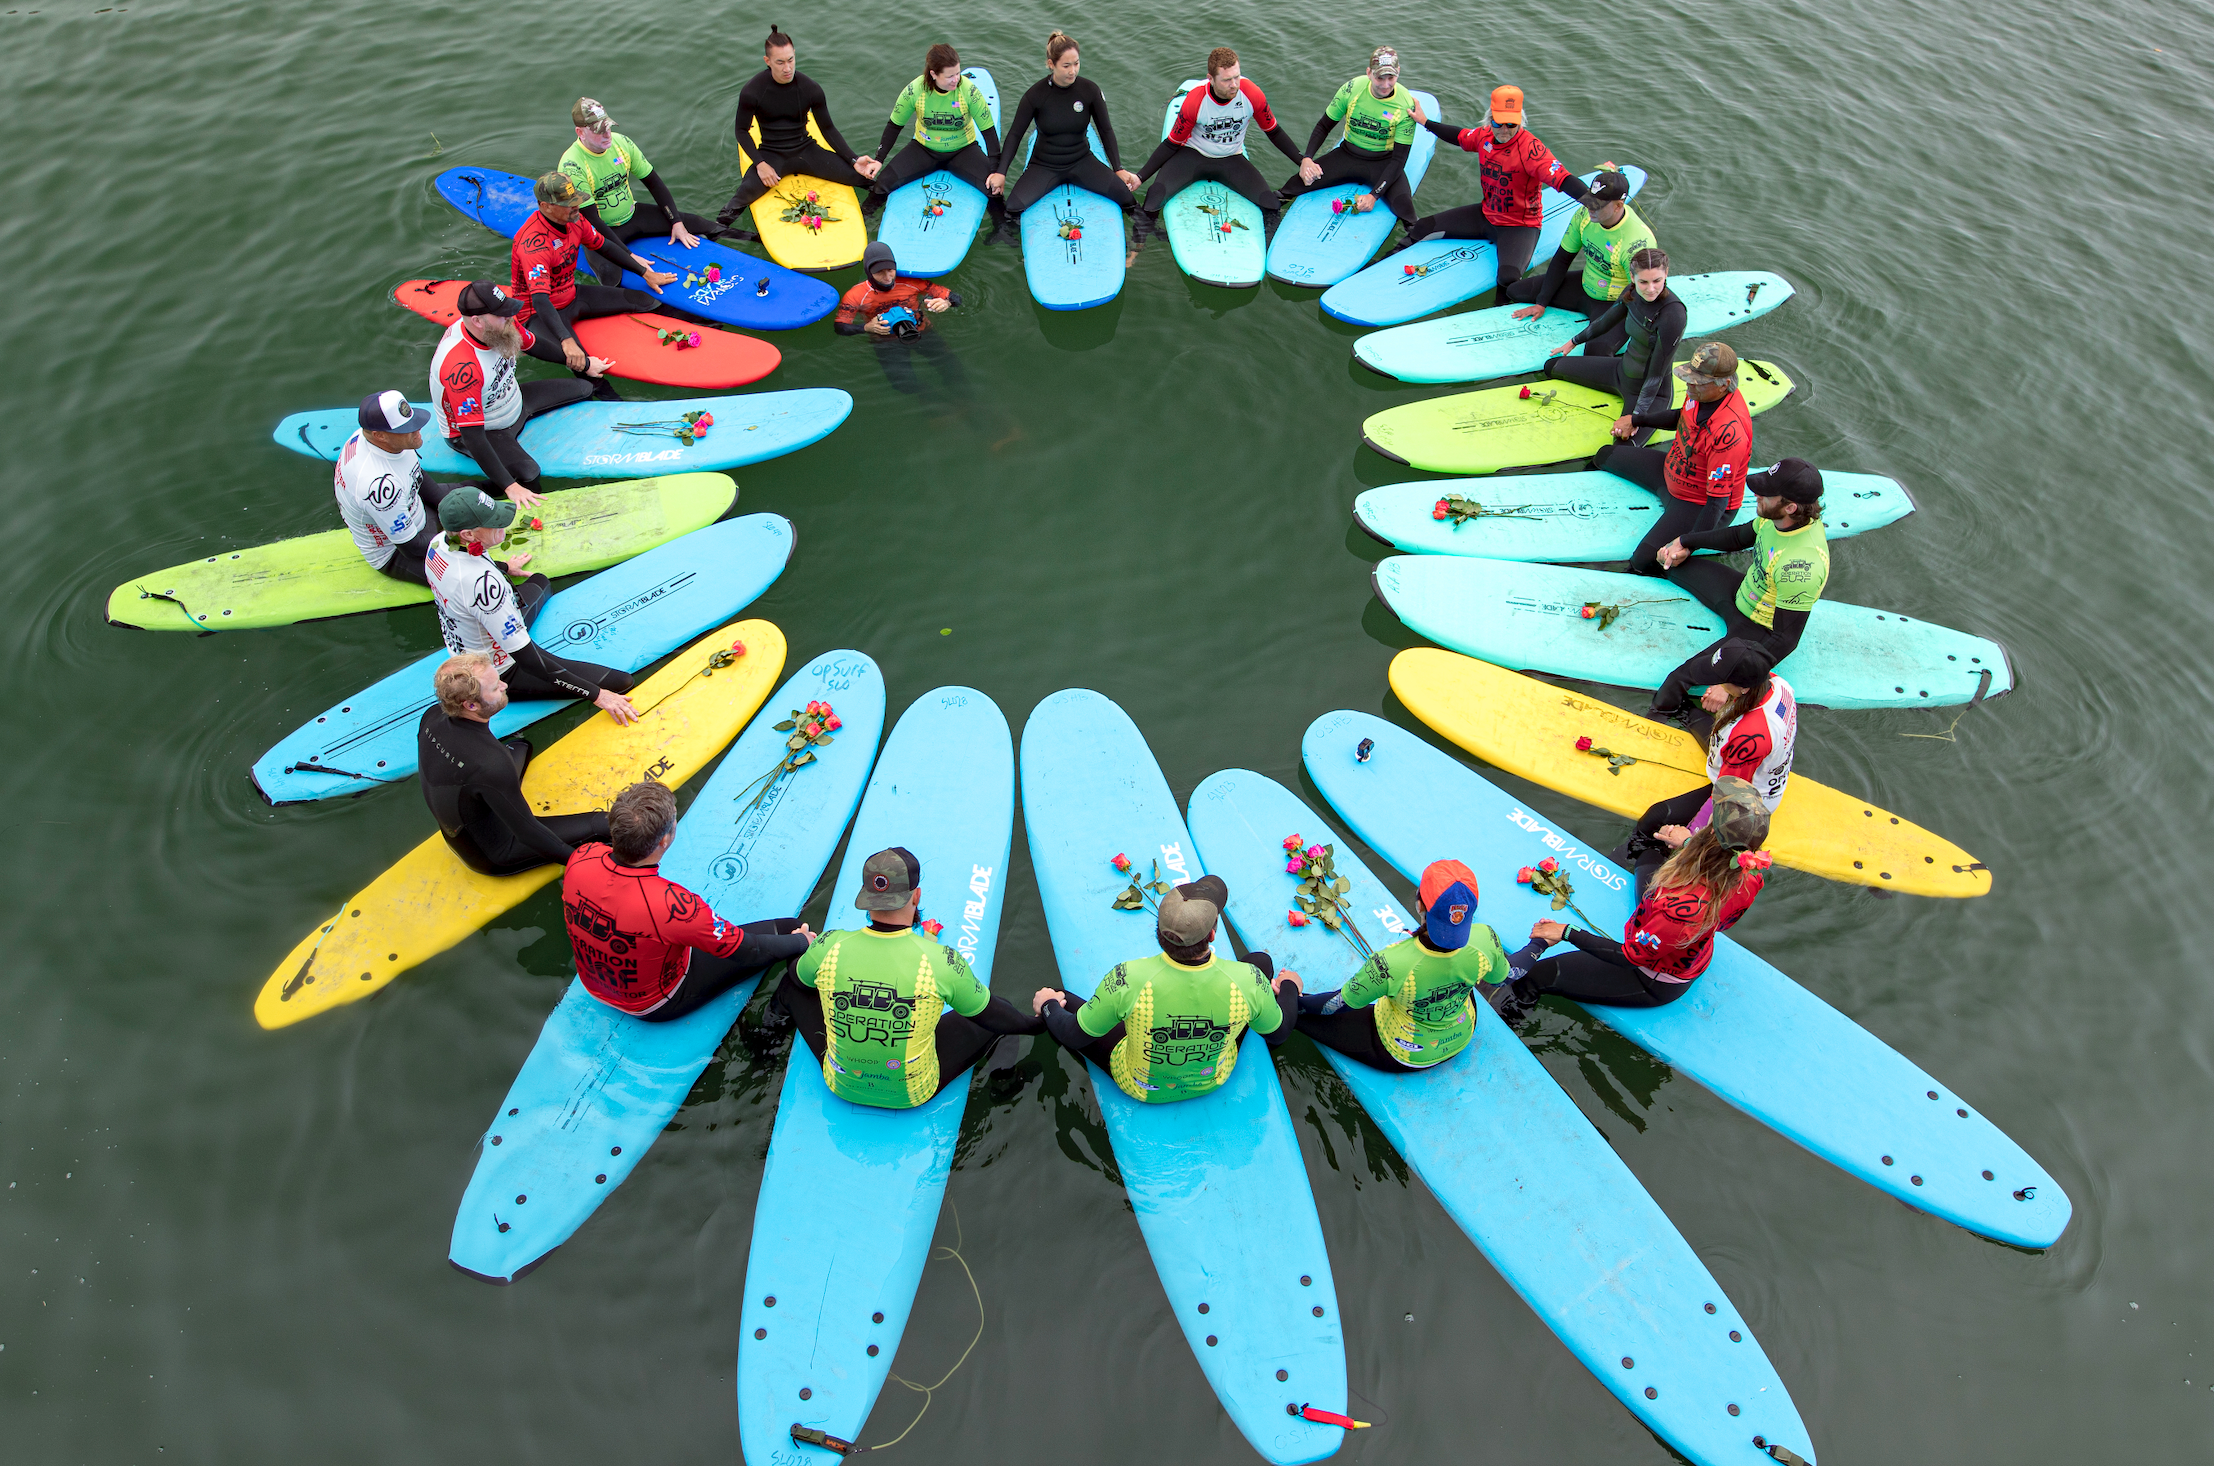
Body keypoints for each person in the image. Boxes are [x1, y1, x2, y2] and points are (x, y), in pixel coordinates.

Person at [767, 848, 1044, 1108]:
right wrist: (1038, 1022)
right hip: (913, 1095)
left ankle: (767, 1035)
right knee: (998, 1012)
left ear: (865, 897)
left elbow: (798, 978)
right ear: (916, 896)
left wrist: (799, 944)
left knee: (793, 984)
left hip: (840, 1084)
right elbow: (993, 1015)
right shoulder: (941, 961)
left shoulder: (829, 945)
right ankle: (1004, 1082)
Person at [1493, 777, 1772, 1018]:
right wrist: (1685, 842)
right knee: (1648, 854)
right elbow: (1719, 911)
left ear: (1710, 835)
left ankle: (1510, 1019)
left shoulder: (1680, 910)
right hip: (1678, 932)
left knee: (1535, 977)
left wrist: (1566, 932)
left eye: (1714, 811)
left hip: (1650, 978)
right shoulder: (1749, 875)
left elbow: (1629, 956)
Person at [1031, 876, 1301, 1104]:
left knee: (1058, 997)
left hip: (1142, 1087)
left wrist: (1048, 1004)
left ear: (1158, 933)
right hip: (1213, 1079)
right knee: (1262, 962)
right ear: (1212, 935)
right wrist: (1290, 986)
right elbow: (1279, 1034)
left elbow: (1074, 1036)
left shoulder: (1128, 978)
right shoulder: (1247, 981)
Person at [564, 781, 817, 1021]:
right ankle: (773, 1020)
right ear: (665, 839)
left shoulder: (582, 856)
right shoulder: (676, 907)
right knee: (789, 929)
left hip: (593, 986)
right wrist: (799, 941)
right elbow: (748, 950)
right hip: (655, 1005)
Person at [422, 487, 638, 719]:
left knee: (540, 582)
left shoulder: (439, 544)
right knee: (620, 682)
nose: (502, 524)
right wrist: (598, 695)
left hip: (473, 634)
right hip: (500, 668)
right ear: (468, 535)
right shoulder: (483, 586)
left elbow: (467, 574)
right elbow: (530, 662)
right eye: (494, 523)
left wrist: (504, 567)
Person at [1648, 460, 1831, 713]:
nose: (1756, 494)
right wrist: (1686, 542)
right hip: (1740, 592)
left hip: (1758, 629)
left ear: (1790, 507)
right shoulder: (1775, 518)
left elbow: (1785, 639)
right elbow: (1738, 537)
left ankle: (1665, 722)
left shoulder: (1801, 567)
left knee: (1675, 682)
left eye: (1766, 492)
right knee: (1666, 561)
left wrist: (1732, 681)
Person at [1296, 860, 1506, 1073]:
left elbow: (1337, 1004)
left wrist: (1291, 994)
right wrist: (1539, 943)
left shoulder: (1390, 962)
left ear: (1419, 905)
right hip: (1463, 1033)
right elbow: (1505, 977)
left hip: (1407, 1053)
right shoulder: (1486, 938)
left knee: (1300, 1013)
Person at [419, 654, 607, 876]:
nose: (504, 685)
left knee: (520, 747)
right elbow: (528, 833)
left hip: (462, 823)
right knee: (605, 824)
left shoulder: (431, 716)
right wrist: (579, 867)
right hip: (494, 853)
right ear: (470, 705)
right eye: (495, 687)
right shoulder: (491, 764)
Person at [1396, 84, 1595, 293]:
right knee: (1422, 227)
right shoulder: (1484, 136)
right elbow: (1459, 136)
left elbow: (1563, 179)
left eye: (1511, 124)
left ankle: (1498, 317)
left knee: (1508, 280)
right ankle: (1387, 261)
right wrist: (1425, 122)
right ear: (1490, 118)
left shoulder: (1531, 150)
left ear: (1520, 121)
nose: (1504, 130)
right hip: (1486, 214)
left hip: (1520, 226)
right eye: (1499, 123)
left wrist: (1594, 203)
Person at [1618, 640, 1797, 869]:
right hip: (1749, 759)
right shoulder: (1778, 683)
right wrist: (1725, 688)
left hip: (1748, 796)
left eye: (1721, 678)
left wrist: (1689, 839)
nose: (1714, 681)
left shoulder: (1747, 737)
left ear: (1743, 688)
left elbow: (1728, 795)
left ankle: (1641, 858)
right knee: (1690, 712)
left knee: (1656, 818)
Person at [1592, 341, 1755, 577]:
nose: (1690, 384)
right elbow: (1681, 417)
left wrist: (1688, 544)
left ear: (1724, 385)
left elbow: (1717, 502)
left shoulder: (1729, 435)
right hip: (1670, 470)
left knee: (1642, 562)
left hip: (1696, 503)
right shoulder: (1699, 395)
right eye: (1690, 377)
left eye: (1699, 382)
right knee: (1605, 454)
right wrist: (1636, 420)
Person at [428, 279, 594, 510]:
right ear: (477, 321)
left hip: (514, 401)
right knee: (528, 475)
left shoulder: (501, 326)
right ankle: (474, 490)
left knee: (585, 389)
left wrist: (583, 364)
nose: (510, 319)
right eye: (502, 315)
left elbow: (534, 345)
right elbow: (473, 437)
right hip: (486, 428)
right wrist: (508, 486)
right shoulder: (462, 368)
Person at [333, 389, 526, 586]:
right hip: (397, 553)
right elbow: (411, 547)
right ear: (380, 436)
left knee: (469, 492)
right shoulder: (379, 487)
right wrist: (488, 556)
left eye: (413, 421)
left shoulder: (377, 438)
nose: (418, 430)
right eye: (407, 428)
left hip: (412, 505)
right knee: (474, 577)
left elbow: (415, 475)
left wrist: (453, 509)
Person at [511, 172, 679, 395]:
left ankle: (703, 328)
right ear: (546, 206)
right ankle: (614, 406)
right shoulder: (534, 245)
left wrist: (644, 273)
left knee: (644, 299)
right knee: (582, 364)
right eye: (568, 203)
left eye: (576, 199)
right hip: (539, 314)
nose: (576, 206)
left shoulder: (575, 220)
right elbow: (540, 300)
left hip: (572, 295)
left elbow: (604, 246)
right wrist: (566, 340)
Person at [1130, 46, 1309, 246]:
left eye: (1237, 77)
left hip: (1232, 159)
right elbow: (1171, 144)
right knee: (1152, 202)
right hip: (1193, 156)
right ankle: (1138, 248)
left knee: (1272, 206)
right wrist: (1140, 177)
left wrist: (1303, 161)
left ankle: (1267, 250)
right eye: (1226, 80)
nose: (1234, 85)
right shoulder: (1196, 101)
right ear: (1211, 79)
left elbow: (1274, 132)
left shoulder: (1251, 94)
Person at [717, 26, 881, 229]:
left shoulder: (810, 88)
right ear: (767, 61)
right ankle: (716, 238)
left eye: (791, 60)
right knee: (735, 204)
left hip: (807, 150)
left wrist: (854, 159)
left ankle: (867, 218)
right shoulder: (753, 91)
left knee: (870, 183)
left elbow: (828, 128)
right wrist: (760, 164)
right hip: (771, 154)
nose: (787, 68)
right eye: (780, 62)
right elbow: (741, 131)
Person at [989, 32, 1143, 240]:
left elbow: (1106, 130)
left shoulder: (1089, 91)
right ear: (1051, 64)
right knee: (1014, 207)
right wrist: (1001, 172)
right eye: (1066, 65)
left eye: (1076, 64)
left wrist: (1118, 168)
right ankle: (1008, 238)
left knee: (1126, 198)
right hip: (1044, 165)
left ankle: (1143, 234)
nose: (1073, 71)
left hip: (1082, 161)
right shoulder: (1035, 96)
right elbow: (1015, 135)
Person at [558, 97, 719, 287]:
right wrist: (629, 256)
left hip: (633, 215)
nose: (607, 134)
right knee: (611, 276)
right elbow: (592, 221)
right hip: (599, 232)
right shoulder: (572, 166)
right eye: (599, 131)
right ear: (580, 132)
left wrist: (676, 222)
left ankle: (753, 240)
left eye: (608, 127)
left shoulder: (621, 143)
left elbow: (654, 183)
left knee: (701, 224)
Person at [1275, 47, 1423, 230]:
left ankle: (1400, 252)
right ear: (1369, 73)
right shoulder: (1352, 89)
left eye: (1390, 78)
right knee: (1293, 185)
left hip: (1384, 163)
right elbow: (1324, 126)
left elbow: (1399, 159)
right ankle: (1269, 220)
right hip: (1347, 155)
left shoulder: (1405, 105)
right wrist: (1307, 159)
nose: (1385, 85)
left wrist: (1374, 196)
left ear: (1398, 72)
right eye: (1379, 78)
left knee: (1406, 210)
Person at [1502, 171, 1653, 350]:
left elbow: (1639, 297)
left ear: (1618, 205)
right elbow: (1562, 260)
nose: (1590, 208)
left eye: (1598, 205)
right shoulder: (1584, 216)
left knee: (1596, 350)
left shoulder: (1637, 242)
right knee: (1515, 291)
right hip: (1584, 286)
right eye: (1589, 200)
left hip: (1615, 302)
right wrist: (1542, 303)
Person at [1541, 247, 1684, 434]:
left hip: (1650, 393)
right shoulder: (1631, 293)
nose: (1651, 289)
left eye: (1657, 281)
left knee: (1618, 450)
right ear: (1632, 278)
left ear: (1666, 274)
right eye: (1643, 282)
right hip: (1620, 372)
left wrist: (1636, 418)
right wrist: (1574, 341)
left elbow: (1657, 374)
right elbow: (1604, 322)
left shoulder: (1673, 314)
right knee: (1552, 366)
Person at [861, 44, 1004, 227]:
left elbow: (989, 132)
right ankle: (863, 220)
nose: (956, 80)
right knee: (882, 184)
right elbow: (894, 126)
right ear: (933, 74)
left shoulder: (968, 91)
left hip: (963, 151)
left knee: (994, 189)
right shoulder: (915, 91)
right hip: (923, 149)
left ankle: (1001, 229)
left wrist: (995, 170)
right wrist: (879, 159)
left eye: (958, 73)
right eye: (950, 76)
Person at [835, 240, 967, 397]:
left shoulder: (911, 282)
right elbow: (840, 327)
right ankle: (934, 401)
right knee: (902, 382)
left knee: (952, 366)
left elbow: (956, 298)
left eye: (890, 270)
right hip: (886, 341)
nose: (887, 277)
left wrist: (946, 302)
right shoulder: (856, 295)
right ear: (869, 272)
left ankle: (965, 399)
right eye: (879, 272)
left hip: (922, 331)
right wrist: (866, 328)